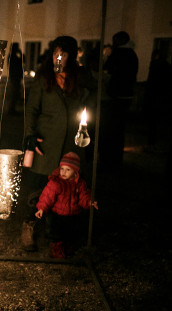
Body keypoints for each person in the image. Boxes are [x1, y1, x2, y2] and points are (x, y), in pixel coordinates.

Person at [19, 35, 96, 251]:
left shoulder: (80, 78)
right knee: (38, 190)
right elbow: (32, 110)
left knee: (65, 191)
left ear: (72, 55)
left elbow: (91, 104)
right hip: (44, 144)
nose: (58, 57)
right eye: (55, 53)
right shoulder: (44, 79)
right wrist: (30, 135)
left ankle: (57, 236)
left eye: (63, 53)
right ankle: (29, 227)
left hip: (69, 146)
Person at [35, 152, 98, 258]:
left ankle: (68, 248)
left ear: (75, 171)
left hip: (73, 214)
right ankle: (56, 250)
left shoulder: (80, 184)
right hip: (58, 214)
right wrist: (41, 208)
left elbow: (84, 195)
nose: (63, 172)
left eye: (68, 170)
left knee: (70, 233)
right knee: (57, 234)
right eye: (62, 169)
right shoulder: (56, 183)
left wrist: (89, 202)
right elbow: (47, 196)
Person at [101, 31, 138, 171]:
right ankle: (117, 159)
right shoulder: (133, 55)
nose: (114, 43)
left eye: (115, 40)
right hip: (127, 95)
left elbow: (107, 69)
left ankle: (109, 160)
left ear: (121, 40)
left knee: (111, 129)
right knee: (119, 129)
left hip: (115, 96)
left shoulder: (118, 54)